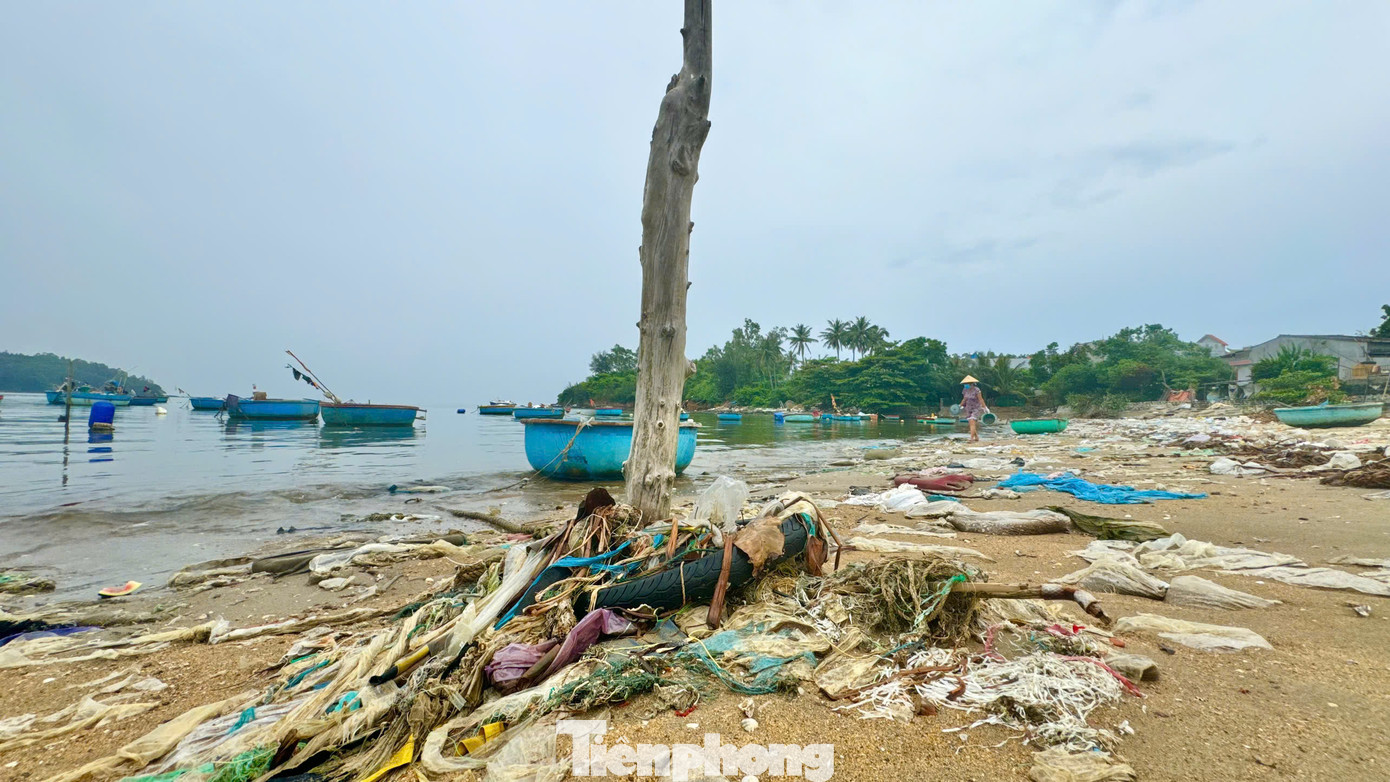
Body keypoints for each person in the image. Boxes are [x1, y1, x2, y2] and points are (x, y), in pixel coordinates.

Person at [959, 375, 990, 442]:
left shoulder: (977, 390)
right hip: (968, 408)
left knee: (972, 421)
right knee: (971, 423)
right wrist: (960, 405)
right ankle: (976, 437)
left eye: (966, 384)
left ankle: (971, 439)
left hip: (976, 408)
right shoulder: (965, 390)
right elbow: (964, 399)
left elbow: (981, 399)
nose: (965, 385)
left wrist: (985, 407)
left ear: (971, 384)